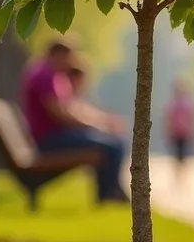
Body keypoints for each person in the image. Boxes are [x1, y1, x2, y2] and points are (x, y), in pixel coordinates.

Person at [20, 40, 127, 203]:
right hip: (49, 140)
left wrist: (100, 124)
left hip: (52, 137)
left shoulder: (50, 75)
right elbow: (61, 114)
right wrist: (95, 126)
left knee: (111, 143)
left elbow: (72, 108)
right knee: (113, 146)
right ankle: (108, 194)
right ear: (58, 55)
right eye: (68, 58)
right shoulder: (45, 76)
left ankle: (110, 192)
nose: (71, 63)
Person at [164, 78, 194, 185]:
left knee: (184, 156)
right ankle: (178, 176)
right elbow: (168, 118)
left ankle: (182, 177)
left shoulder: (188, 103)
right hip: (176, 133)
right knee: (177, 155)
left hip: (185, 133)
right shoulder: (173, 103)